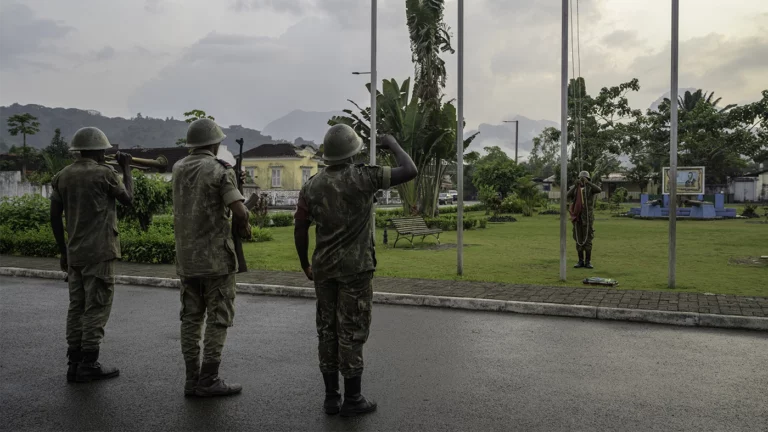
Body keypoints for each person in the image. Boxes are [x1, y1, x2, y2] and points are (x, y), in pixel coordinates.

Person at [294, 125, 417, 417]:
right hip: (355, 270)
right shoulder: (364, 177)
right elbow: (409, 169)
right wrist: (393, 143)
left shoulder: (310, 186)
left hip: (323, 270)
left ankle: (331, 398)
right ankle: (353, 399)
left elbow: (300, 226)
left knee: (327, 331)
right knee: (351, 331)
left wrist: (304, 263)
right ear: (352, 153)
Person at [172, 118, 252, 397]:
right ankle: (209, 379)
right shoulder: (219, 170)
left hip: (187, 259)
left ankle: (191, 379)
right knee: (218, 318)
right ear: (214, 143)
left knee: (191, 319)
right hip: (216, 259)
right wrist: (245, 221)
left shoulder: (179, 168)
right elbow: (239, 212)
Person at [50, 127, 134, 383]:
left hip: (74, 253)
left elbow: (54, 216)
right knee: (96, 307)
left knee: (77, 307)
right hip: (99, 253)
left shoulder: (62, 176)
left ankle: (74, 362)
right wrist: (127, 169)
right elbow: (128, 199)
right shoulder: (104, 173)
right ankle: (90, 363)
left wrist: (63, 251)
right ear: (99, 151)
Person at [567, 170, 601, 269]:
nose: (582, 179)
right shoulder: (575, 189)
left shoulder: (590, 188)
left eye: (584, 178)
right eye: (581, 178)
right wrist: (575, 185)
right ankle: (580, 261)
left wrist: (588, 183)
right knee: (578, 239)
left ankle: (588, 261)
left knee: (588, 239)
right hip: (577, 218)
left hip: (587, 218)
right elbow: (567, 195)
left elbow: (598, 189)